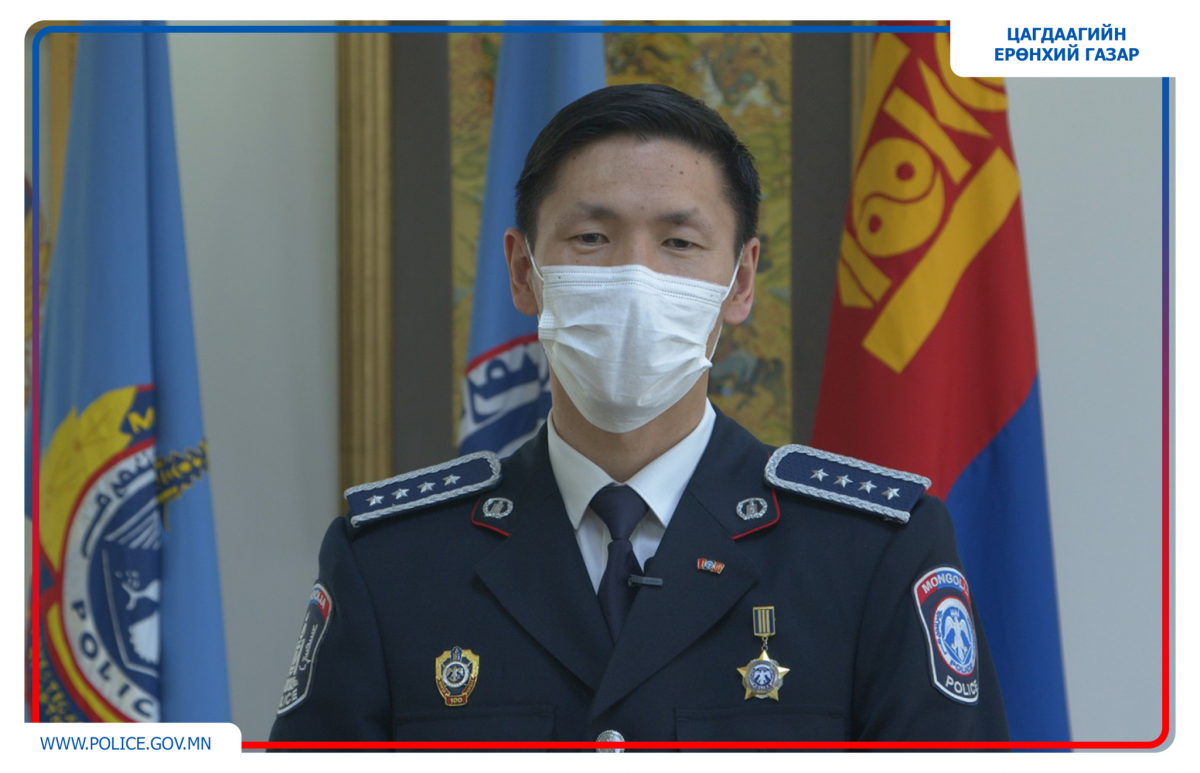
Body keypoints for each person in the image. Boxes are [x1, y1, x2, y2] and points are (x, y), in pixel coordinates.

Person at [269, 83, 1010, 747]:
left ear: (741, 281)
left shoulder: (872, 551)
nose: (635, 276)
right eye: (591, 238)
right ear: (524, 271)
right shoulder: (392, 560)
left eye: (679, 242)